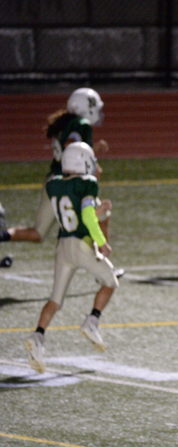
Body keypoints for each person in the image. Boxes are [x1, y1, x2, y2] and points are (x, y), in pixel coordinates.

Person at [24, 141, 119, 373]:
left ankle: (38, 336)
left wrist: (97, 211)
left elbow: (74, 211)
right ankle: (92, 321)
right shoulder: (87, 183)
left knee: (55, 300)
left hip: (63, 245)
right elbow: (86, 217)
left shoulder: (54, 185)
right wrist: (101, 241)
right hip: (81, 245)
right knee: (110, 281)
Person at [0, 87, 110, 245]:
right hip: (71, 182)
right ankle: (103, 258)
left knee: (38, 233)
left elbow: (69, 149)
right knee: (101, 218)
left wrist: (93, 149)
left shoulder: (65, 123)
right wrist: (94, 164)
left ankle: (2, 235)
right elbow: (71, 148)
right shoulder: (82, 124)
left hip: (53, 181)